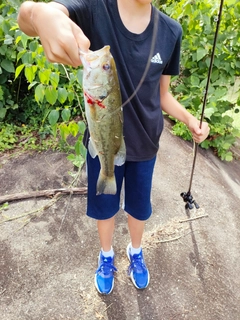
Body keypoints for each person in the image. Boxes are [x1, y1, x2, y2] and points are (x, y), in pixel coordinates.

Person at [17, 0, 210, 295]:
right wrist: (37, 13)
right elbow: (28, 18)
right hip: (102, 142)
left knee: (139, 208)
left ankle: (135, 252)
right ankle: (106, 256)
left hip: (145, 142)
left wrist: (189, 119)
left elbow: (164, 95)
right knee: (105, 207)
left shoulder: (172, 31)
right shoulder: (95, 8)